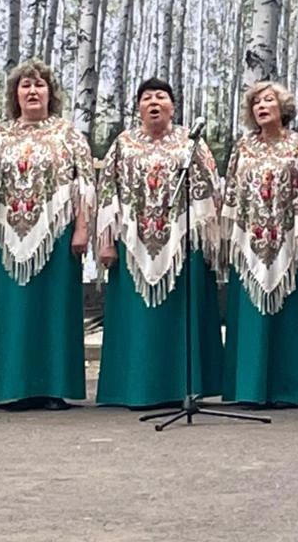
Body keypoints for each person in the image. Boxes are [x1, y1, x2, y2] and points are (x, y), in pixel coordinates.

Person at [0, 60, 95, 410]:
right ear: (15, 94)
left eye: (39, 85)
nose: (33, 91)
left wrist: (82, 229)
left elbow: (85, 185)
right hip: (8, 236)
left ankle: (53, 388)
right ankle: (14, 388)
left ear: (51, 93)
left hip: (58, 235)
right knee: (13, 312)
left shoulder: (68, 134)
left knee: (55, 310)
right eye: (25, 85)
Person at [95, 77, 224, 408]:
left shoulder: (190, 142)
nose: (154, 102)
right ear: (138, 108)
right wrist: (106, 242)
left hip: (183, 244)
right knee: (137, 321)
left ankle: (185, 388)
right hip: (133, 244)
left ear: (173, 107)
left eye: (161, 97)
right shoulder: (123, 144)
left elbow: (210, 191)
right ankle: (135, 388)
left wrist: (209, 240)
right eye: (147, 98)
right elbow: (107, 192)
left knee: (182, 319)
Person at [221, 81, 298, 407]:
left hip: (290, 242)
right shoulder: (243, 147)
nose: (261, 106)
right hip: (250, 242)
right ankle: (248, 389)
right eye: (256, 102)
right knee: (249, 315)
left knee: (292, 315)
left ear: (283, 108)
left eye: (268, 100)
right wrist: (229, 238)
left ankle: (296, 390)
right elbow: (232, 193)